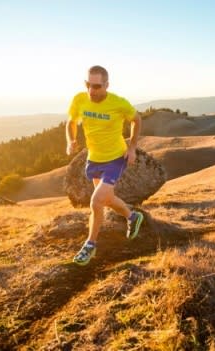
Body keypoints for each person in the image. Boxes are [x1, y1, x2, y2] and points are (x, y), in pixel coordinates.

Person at [66, 65, 143, 266]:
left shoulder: (118, 103)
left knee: (96, 202)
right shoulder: (79, 99)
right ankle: (132, 216)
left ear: (106, 85)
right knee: (107, 199)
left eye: (97, 86)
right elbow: (71, 121)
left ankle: (90, 245)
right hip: (94, 159)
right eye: (89, 85)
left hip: (116, 158)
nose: (92, 90)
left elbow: (136, 119)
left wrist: (132, 147)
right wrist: (70, 140)